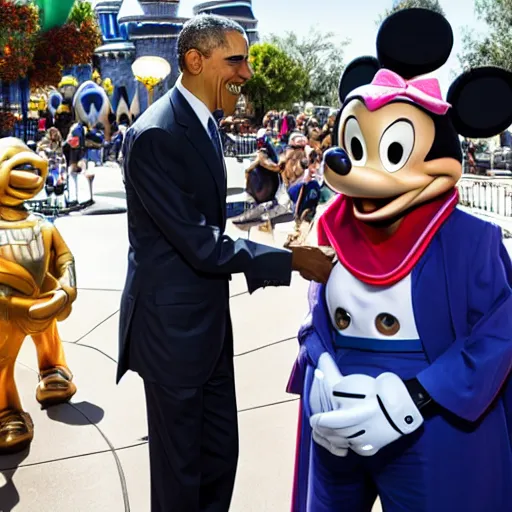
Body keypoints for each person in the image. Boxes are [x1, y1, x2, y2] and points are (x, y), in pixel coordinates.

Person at [117, 14, 335, 512]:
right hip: (171, 335)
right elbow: (200, 243)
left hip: (208, 331)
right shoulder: (155, 135)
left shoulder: (206, 125)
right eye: (235, 60)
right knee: (180, 482)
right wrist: (291, 259)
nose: (247, 73)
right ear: (195, 61)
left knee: (219, 459)